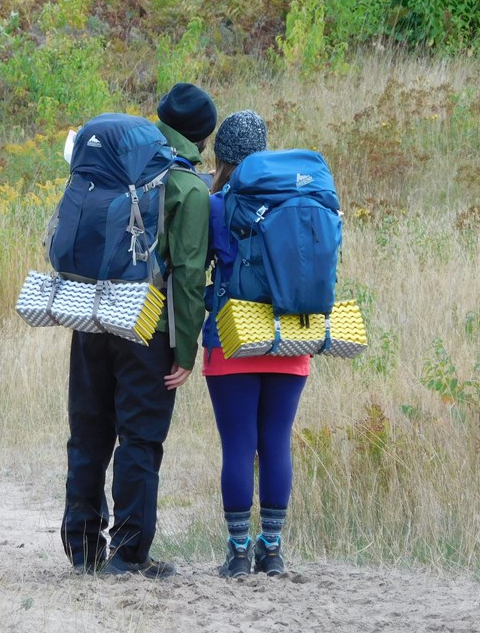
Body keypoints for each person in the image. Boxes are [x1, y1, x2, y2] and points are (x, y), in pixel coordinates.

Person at [61, 83, 217, 579]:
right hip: (147, 323)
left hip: (92, 311)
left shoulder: (118, 165)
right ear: (202, 137)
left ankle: (82, 550)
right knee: (140, 438)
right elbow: (189, 277)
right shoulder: (188, 186)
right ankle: (129, 555)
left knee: (88, 433)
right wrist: (185, 350)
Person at [202, 110, 310, 577]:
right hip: (291, 337)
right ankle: (273, 551)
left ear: (222, 156)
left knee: (238, 446)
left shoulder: (217, 204)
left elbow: (195, 268)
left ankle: (238, 553)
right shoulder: (297, 197)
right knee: (276, 443)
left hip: (231, 338)